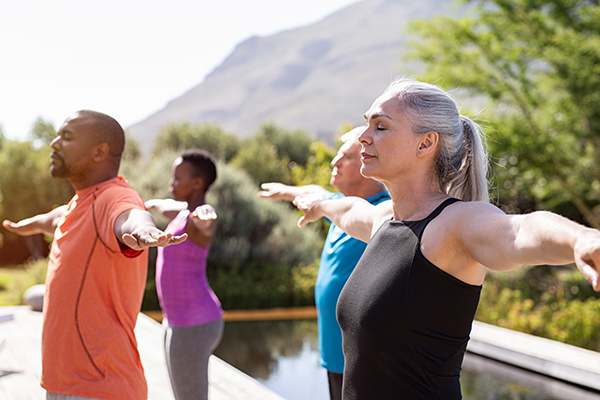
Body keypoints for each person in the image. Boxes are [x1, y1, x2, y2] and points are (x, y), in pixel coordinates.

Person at [292, 77, 600, 400]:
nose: (364, 138)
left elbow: (519, 230)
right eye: (367, 124)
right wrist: (317, 204)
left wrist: (581, 238)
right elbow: (345, 209)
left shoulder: (453, 225)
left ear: (426, 143)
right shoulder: (384, 220)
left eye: (380, 127)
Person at [2, 110, 187, 400]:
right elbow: (55, 218)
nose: (54, 143)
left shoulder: (115, 197)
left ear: (100, 152)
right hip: (63, 384)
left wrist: (144, 232)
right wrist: (27, 225)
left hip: (101, 387)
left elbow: (131, 216)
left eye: (67, 137)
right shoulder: (81, 202)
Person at [258, 127, 389, 400]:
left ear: (369, 164)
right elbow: (316, 191)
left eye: (346, 157)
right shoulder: (338, 204)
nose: (334, 162)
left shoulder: (384, 213)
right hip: (335, 356)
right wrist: (285, 191)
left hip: (367, 362)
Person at [145, 149, 223, 400]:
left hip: (193, 323)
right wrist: (147, 205)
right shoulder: (182, 213)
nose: (172, 183)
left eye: (178, 178)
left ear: (197, 183)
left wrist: (205, 219)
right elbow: (163, 205)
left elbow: (207, 220)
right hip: (178, 320)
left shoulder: (197, 218)